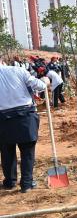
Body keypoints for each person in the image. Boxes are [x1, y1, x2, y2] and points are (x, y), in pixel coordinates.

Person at [0, 65, 50, 193]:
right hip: (24, 116)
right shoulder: (18, 70)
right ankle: (26, 184)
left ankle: (10, 182)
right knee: (27, 152)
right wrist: (45, 81)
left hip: (3, 118)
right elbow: (39, 85)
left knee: (6, 151)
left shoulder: (17, 70)